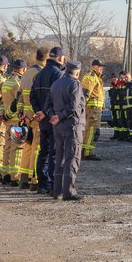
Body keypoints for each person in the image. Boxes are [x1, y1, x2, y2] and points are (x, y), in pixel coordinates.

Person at [46, 60, 86, 201]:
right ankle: (69, 192)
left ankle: (57, 191)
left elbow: (48, 104)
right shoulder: (74, 84)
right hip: (72, 126)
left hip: (58, 127)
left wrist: (53, 116)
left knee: (60, 158)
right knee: (72, 158)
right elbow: (73, 105)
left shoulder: (56, 84)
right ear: (77, 72)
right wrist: (61, 116)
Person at [30, 46, 65, 194]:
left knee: (43, 151)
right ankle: (52, 184)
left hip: (43, 120)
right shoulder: (57, 74)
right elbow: (54, 97)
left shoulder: (39, 74)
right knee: (54, 152)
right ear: (60, 58)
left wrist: (38, 111)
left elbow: (32, 96)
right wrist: (45, 112)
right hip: (53, 119)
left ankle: (42, 183)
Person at [19, 48, 48, 190]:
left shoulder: (26, 73)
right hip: (36, 114)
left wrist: (21, 113)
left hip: (26, 115)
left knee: (27, 146)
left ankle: (23, 178)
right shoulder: (40, 74)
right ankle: (33, 179)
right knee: (37, 147)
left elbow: (20, 96)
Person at [1, 59, 27, 186]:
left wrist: (3, 115)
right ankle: (15, 177)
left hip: (7, 120)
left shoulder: (6, 82)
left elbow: (2, 102)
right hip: (16, 120)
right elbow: (17, 103)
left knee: (7, 147)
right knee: (17, 149)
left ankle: (5, 175)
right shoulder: (18, 83)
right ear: (23, 69)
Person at [81, 59, 106, 159]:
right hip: (92, 110)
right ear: (93, 67)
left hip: (95, 109)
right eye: (99, 66)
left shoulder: (96, 77)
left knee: (91, 131)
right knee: (92, 131)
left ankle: (86, 151)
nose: (101, 68)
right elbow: (86, 93)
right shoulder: (91, 77)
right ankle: (88, 153)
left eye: (102, 66)